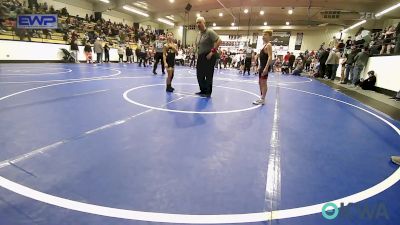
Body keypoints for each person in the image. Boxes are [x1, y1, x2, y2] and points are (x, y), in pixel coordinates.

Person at [195, 17, 221, 98]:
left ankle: (208, 92)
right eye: (197, 23)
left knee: (208, 75)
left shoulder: (209, 32)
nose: (198, 24)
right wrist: (196, 53)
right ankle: (202, 90)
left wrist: (212, 52)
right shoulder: (199, 34)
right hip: (201, 56)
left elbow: (219, 40)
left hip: (208, 56)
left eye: (200, 22)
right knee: (199, 74)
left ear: (204, 22)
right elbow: (198, 45)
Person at [253, 30, 273, 105]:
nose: (263, 36)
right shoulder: (264, 45)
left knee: (263, 83)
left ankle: (263, 99)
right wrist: (259, 66)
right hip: (262, 66)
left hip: (265, 67)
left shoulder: (268, 45)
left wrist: (266, 68)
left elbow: (270, 57)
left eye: (265, 34)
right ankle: (262, 97)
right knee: (260, 82)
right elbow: (261, 57)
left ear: (269, 36)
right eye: (263, 34)